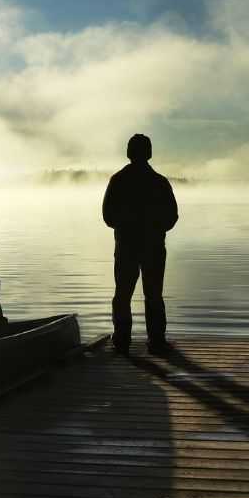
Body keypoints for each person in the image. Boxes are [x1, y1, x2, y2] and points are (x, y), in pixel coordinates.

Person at [102, 133, 178, 355]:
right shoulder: (159, 182)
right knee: (153, 294)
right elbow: (172, 216)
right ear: (149, 153)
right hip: (154, 247)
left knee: (122, 294)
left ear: (129, 153)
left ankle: (121, 340)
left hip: (125, 246)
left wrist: (126, 227)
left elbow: (108, 216)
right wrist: (155, 229)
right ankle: (156, 342)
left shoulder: (117, 180)